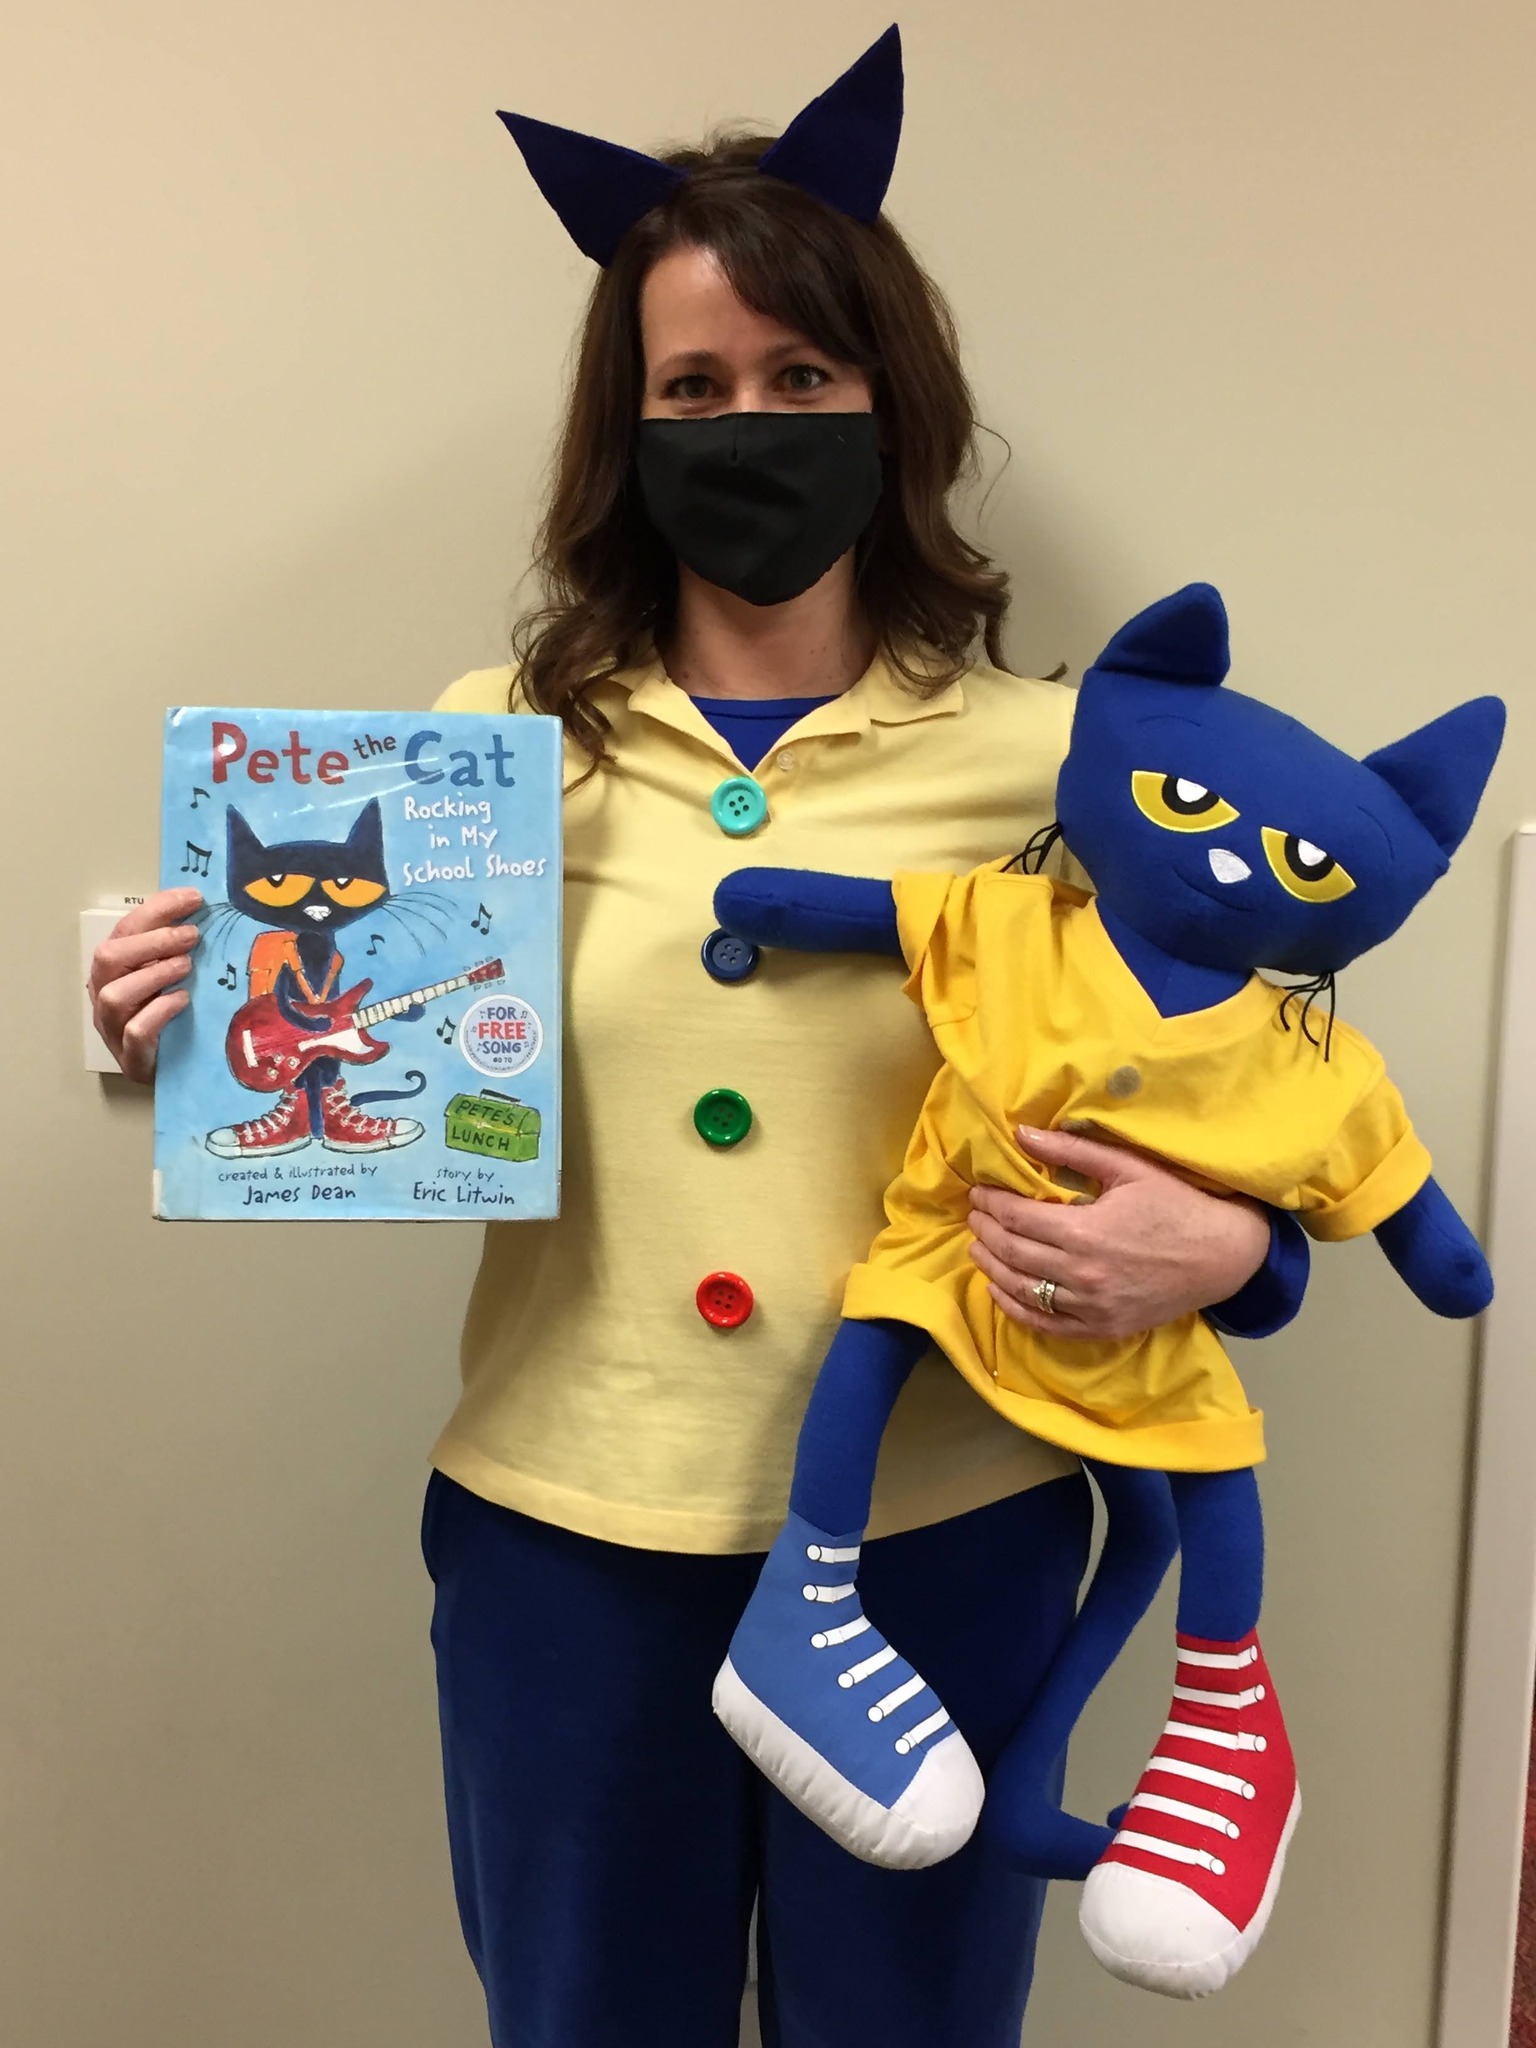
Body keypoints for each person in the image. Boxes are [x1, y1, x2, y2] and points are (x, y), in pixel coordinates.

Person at [88, 30, 1308, 2048]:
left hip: (946, 1543)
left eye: (803, 380)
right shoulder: (483, 744)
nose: (752, 422)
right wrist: (199, 1015)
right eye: (697, 387)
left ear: (886, 402)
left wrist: (1235, 1252)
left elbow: (1255, 1110)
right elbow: (369, 1065)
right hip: (569, 1555)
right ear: (629, 427)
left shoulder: (1063, 762)